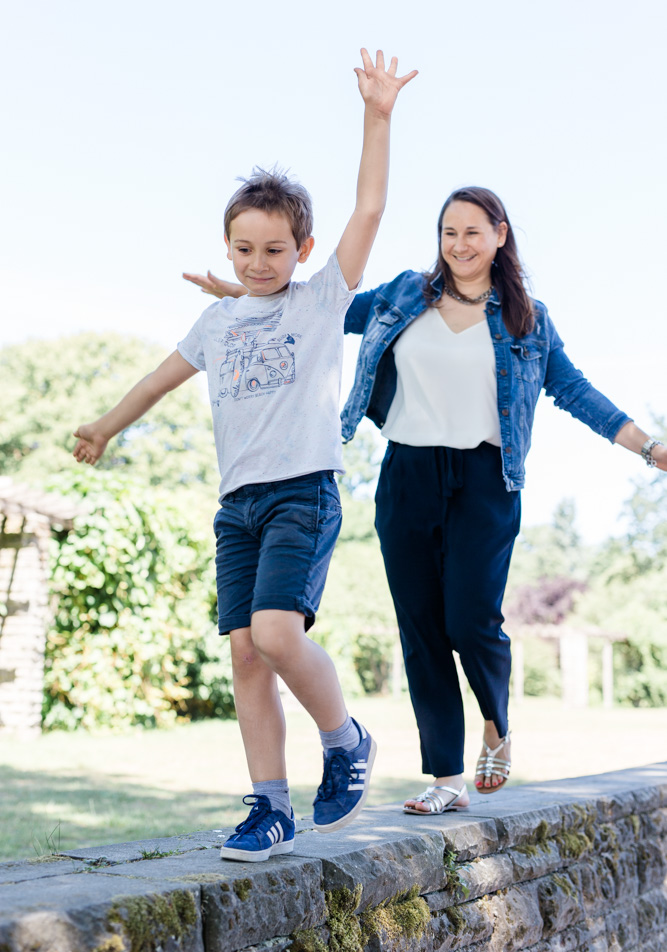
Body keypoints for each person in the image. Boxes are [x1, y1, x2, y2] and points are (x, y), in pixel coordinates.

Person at [183, 185, 666, 816]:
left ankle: (497, 722)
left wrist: (649, 448)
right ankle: (445, 779)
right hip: (406, 475)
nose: (459, 245)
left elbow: (575, 392)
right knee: (421, 630)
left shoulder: (528, 318)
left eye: (472, 232)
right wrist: (240, 293)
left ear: (500, 235)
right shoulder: (406, 294)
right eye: (448, 233)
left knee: (470, 619)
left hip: (487, 480)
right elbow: (323, 310)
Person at [72, 48, 417, 858]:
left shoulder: (320, 301)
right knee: (243, 655)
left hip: (303, 492)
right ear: (226, 246)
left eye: (273, 249)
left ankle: (345, 740)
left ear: (300, 251)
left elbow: (366, 212)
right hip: (239, 505)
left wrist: (376, 115)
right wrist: (106, 424)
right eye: (243, 248)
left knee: (273, 632)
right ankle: (268, 806)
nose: (257, 262)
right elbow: (159, 380)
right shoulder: (216, 323)